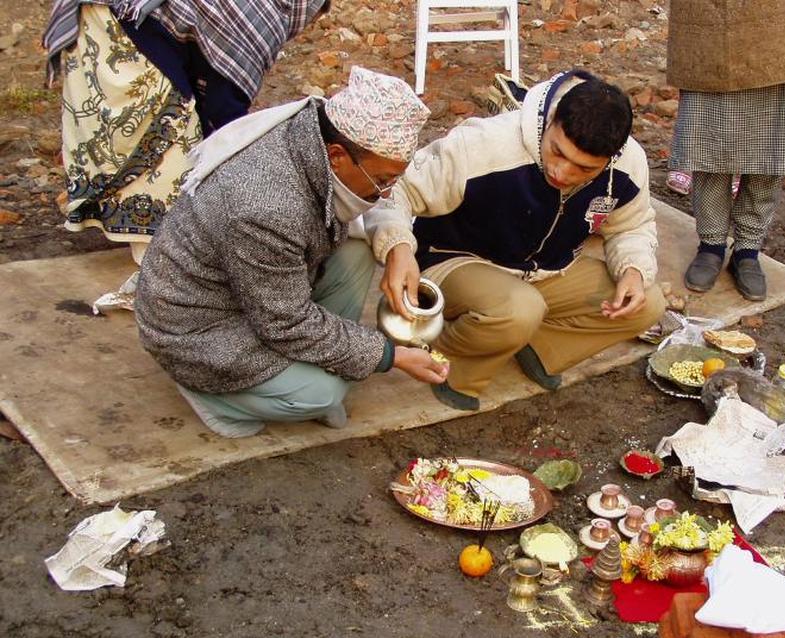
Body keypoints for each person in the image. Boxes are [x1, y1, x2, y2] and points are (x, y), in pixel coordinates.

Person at [135, 67, 448, 438]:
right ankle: (211, 395)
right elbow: (286, 323)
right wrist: (389, 356)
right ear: (336, 156)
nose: (385, 192)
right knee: (321, 394)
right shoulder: (265, 208)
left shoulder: (315, 133)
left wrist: (399, 247)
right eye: (381, 181)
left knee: (358, 254)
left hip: (256, 293)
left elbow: (283, 311)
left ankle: (316, 364)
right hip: (196, 325)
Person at [365, 69, 665, 411]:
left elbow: (632, 227)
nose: (562, 173)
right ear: (551, 120)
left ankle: (538, 347)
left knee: (648, 302)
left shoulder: (629, 164)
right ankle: (440, 357)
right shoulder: (485, 143)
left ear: (611, 157)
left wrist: (633, 271)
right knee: (520, 308)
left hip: (546, 272)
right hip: (454, 260)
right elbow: (394, 190)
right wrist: (398, 248)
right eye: (557, 152)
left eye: (583, 169)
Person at [43, 0, 331, 264]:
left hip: (108, 15)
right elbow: (226, 103)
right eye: (314, 19)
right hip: (122, 27)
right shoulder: (265, 16)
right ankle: (160, 262)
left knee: (159, 136)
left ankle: (150, 248)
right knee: (170, 145)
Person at [666, 0, 785, 301]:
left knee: (772, 145)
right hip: (715, 24)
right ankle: (711, 244)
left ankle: (748, 249)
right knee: (708, 142)